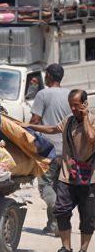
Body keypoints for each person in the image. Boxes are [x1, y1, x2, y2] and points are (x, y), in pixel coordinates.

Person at [23, 89, 95, 252]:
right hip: (68, 175)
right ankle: (66, 248)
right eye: (71, 105)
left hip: (89, 178)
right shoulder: (69, 121)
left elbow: (92, 138)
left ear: (85, 104)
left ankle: (83, 250)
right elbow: (53, 128)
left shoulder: (92, 120)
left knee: (88, 216)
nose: (73, 109)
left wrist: (85, 117)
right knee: (61, 211)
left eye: (76, 105)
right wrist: (31, 126)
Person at [29, 64, 71, 236]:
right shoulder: (70, 94)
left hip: (48, 149)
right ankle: (53, 225)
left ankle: (59, 216)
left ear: (48, 77)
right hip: (67, 149)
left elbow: (35, 120)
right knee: (58, 187)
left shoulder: (43, 94)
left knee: (45, 186)